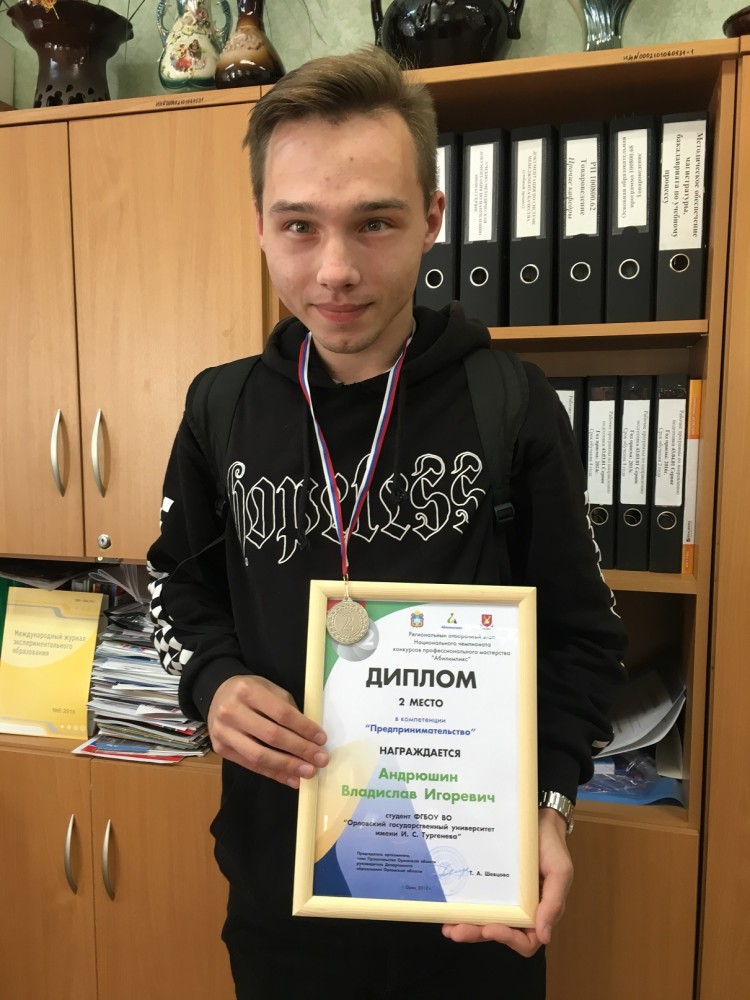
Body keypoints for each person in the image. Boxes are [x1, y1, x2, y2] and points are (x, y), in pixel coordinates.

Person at [147, 45, 627, 1000]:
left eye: (375, 223)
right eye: (299, 226)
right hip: (281, 905)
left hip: (472, 902)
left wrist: (550, 804)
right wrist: (213, 681)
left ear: (432, 219)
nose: (335, 271)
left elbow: (583, 636)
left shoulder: (512, 404)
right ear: (259, 224)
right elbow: (175, 586)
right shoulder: (219, 410)